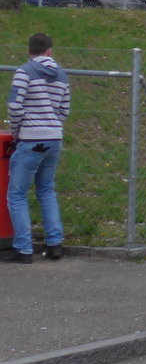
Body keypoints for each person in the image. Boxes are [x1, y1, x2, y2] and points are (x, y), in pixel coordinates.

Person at [6, 33, 71, 264]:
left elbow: (14, 106)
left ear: (29, 51)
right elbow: (64, 110)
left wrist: (17, 131)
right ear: (49, 51)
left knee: (17, 195)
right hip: (54, 139)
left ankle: (23, 249)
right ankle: (55, 245)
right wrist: (52, 127)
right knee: (46, 191)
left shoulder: (24, 72)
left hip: (31, 139)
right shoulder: (62, 75)